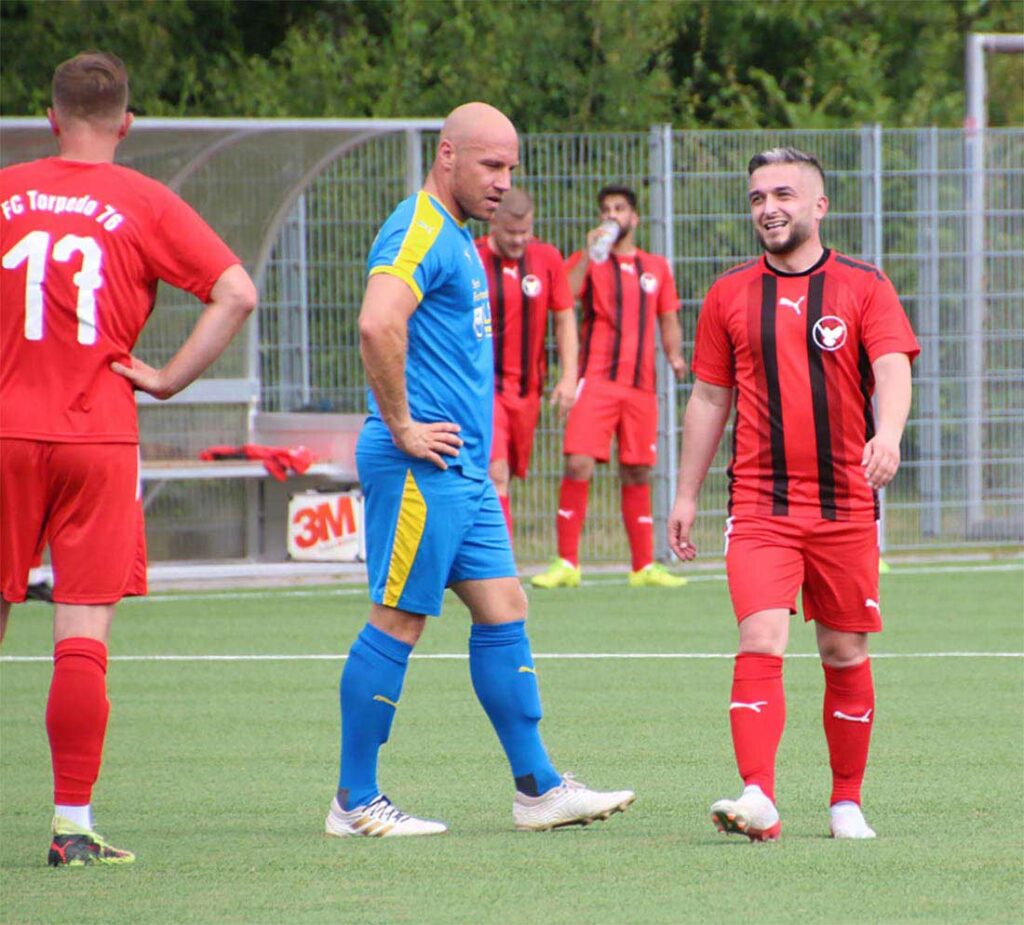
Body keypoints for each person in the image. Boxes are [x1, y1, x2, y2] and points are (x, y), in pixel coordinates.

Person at [325, 102, 634, 838]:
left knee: (505, 607)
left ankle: (538, 789)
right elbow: (377, 321)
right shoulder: (421, 227)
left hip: (460, 470)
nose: (501, 182)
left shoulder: (462, 238)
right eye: (490, 165)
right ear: (447, 155)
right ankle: (354, 800)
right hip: (419, 464)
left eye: (510, 168)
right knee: (398, 617)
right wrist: (400, 423)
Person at [0, 51, 258, 865]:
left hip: (5, 429)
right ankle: (71, 825)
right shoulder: (144, 201)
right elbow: (237, 291)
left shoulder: (7, 191)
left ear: (49, 117)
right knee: (82, 631)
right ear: (126, 123)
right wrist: (170, 379)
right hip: (97, 433)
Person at [667, 147, 919, 841]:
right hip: (760, 507)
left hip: (844, 507)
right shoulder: (728, 295)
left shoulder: (864, 286)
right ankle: (759, 795)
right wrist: (685, 492)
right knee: (762, 637)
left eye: (782, 193)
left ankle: (845, 801)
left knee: (844, 652)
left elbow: (892, 369)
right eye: (756, 197)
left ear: (818, 206)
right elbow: (710, 396)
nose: (768, 207)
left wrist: (888, 434)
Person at [531, 185, 688, 589]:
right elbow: (562, 295)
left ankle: (643, 567)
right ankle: (566, 562)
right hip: (597, 380)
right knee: (578, 461)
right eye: (606, 210)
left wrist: (674, 355)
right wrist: (588, 253)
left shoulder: (655, 267)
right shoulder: (592, 261)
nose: (612, 215)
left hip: (640, 387)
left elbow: (668, 317)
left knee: (637, 470)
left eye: (619, 209)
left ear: (634, 218)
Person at [475, 187, 578, 539]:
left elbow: (564, 317)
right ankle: (500, 567)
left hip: (527, 390)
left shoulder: (546, 258)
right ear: (493, 224)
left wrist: (568, 377)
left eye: (525, 232)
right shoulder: (471, 258)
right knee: (495, 471)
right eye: (511, 233)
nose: (520, 240)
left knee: (508, 475)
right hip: (482, 388)